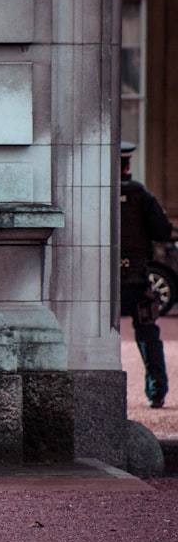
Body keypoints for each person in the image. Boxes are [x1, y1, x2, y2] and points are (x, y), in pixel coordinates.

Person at [120, 141, 173, 408]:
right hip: (136, 279)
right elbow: (162, 231)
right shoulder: (140, 194)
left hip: (104, 283)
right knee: (148, 335)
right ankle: (156, 392)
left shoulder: (97, 193)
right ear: (127, 165)